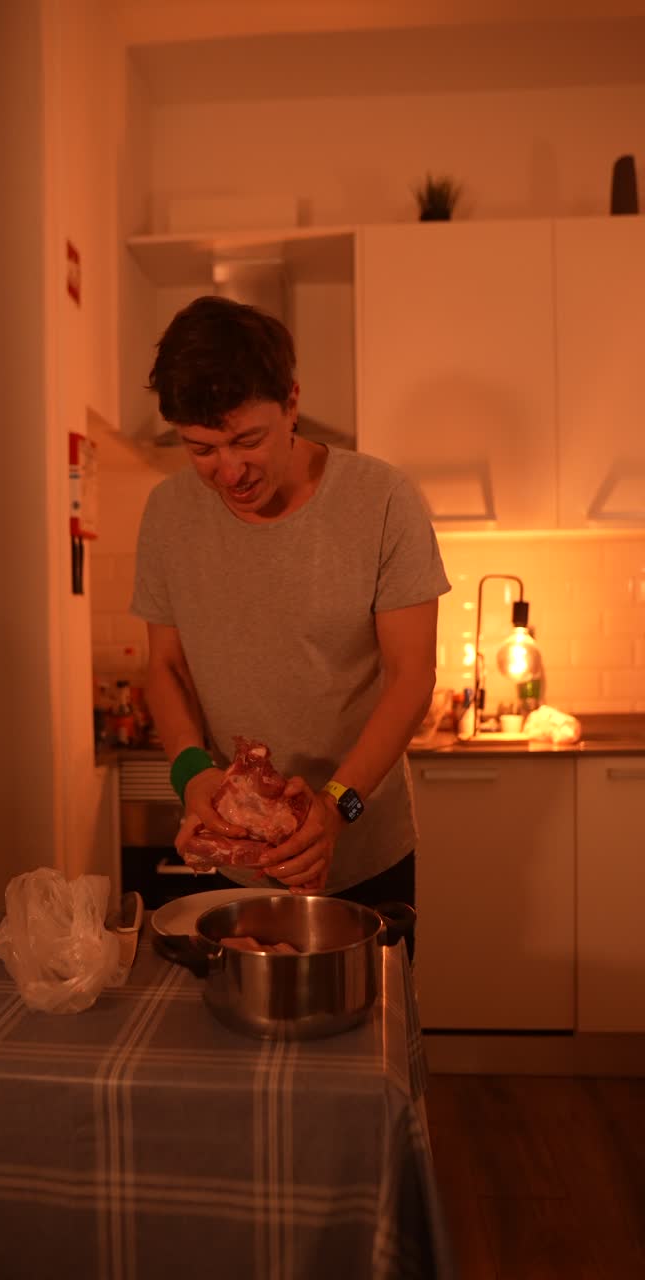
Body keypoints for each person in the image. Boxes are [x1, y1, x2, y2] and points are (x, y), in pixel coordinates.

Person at [131, 295, 450, 918]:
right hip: (234, 861)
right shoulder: (167, 514)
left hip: (364, 855)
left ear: (293, 403)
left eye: (247, 440)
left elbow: (412, 679)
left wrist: (336, 809)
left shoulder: (382, 500)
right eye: (201, 450)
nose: (228, 471)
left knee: (371, 1016)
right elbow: (165, 668)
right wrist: (192, 775)